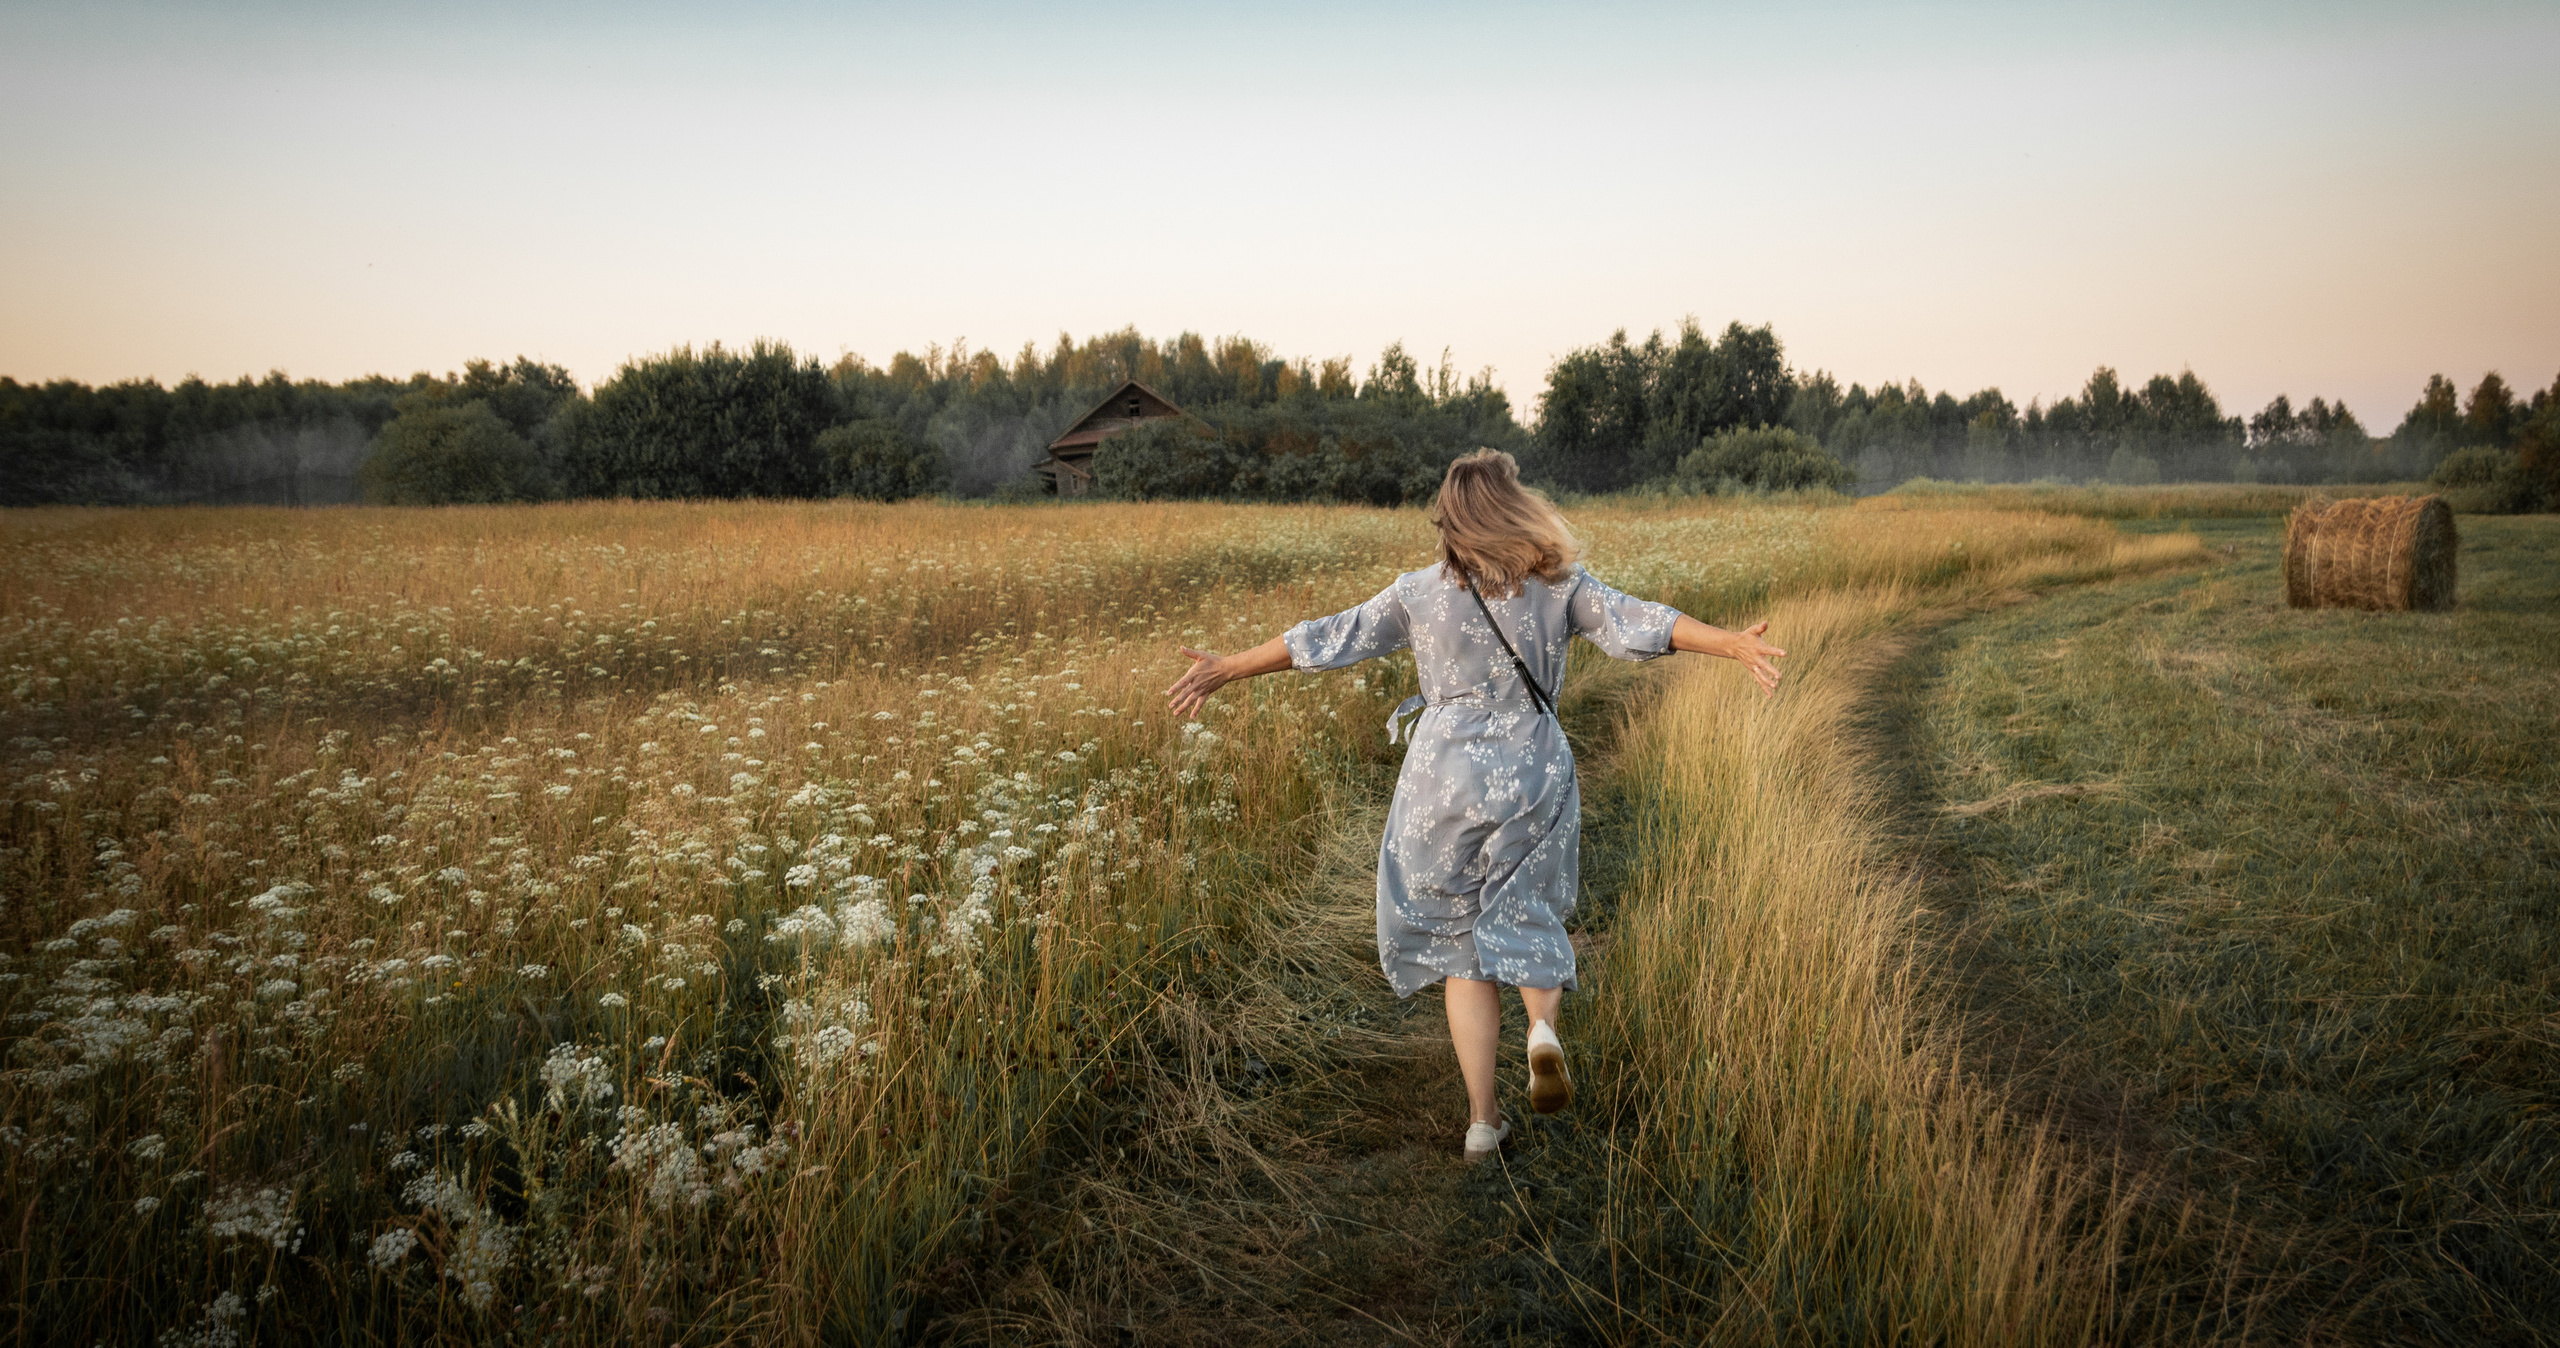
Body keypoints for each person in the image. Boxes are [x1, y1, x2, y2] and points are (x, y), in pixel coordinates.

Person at [1165, 449, 1786, 1159]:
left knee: (1461, 947)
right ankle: (1542, 1030)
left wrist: (1228, 668)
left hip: (1442, 780)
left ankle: (1483, 1122)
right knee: (1526, 908)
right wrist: (1730, 644)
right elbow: (1640, 621)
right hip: (1531, 769)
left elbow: (1329, 637)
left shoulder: (1416, 593)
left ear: (1449, 520)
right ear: (1514, 508)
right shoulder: (1557, 585)